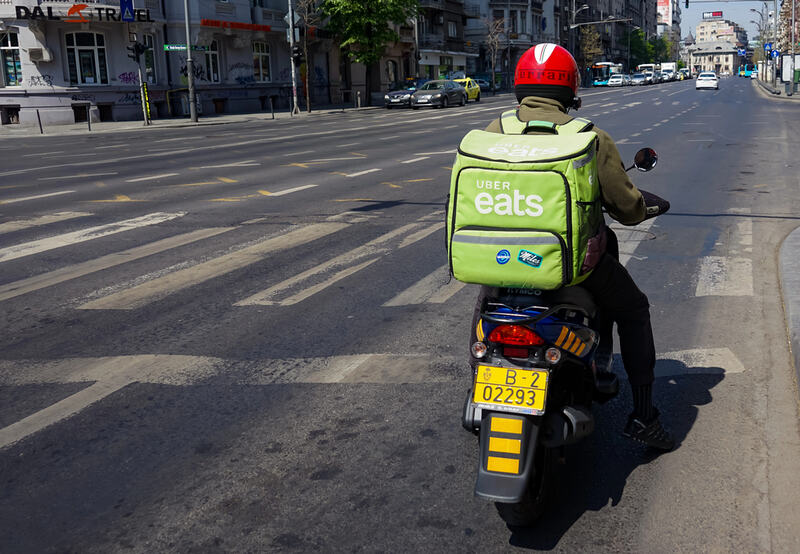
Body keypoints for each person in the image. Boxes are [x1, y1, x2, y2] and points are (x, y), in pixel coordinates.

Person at [470, 43, 674, 451]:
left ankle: (479, 381)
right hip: (573, 266)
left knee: (486, 308)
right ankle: (644, 418)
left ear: (519, 87)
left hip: (497, 260)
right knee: (634, 309)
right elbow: (627, 207)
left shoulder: (490, 133)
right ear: (571, 90)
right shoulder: (589, 138)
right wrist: (642, 206)